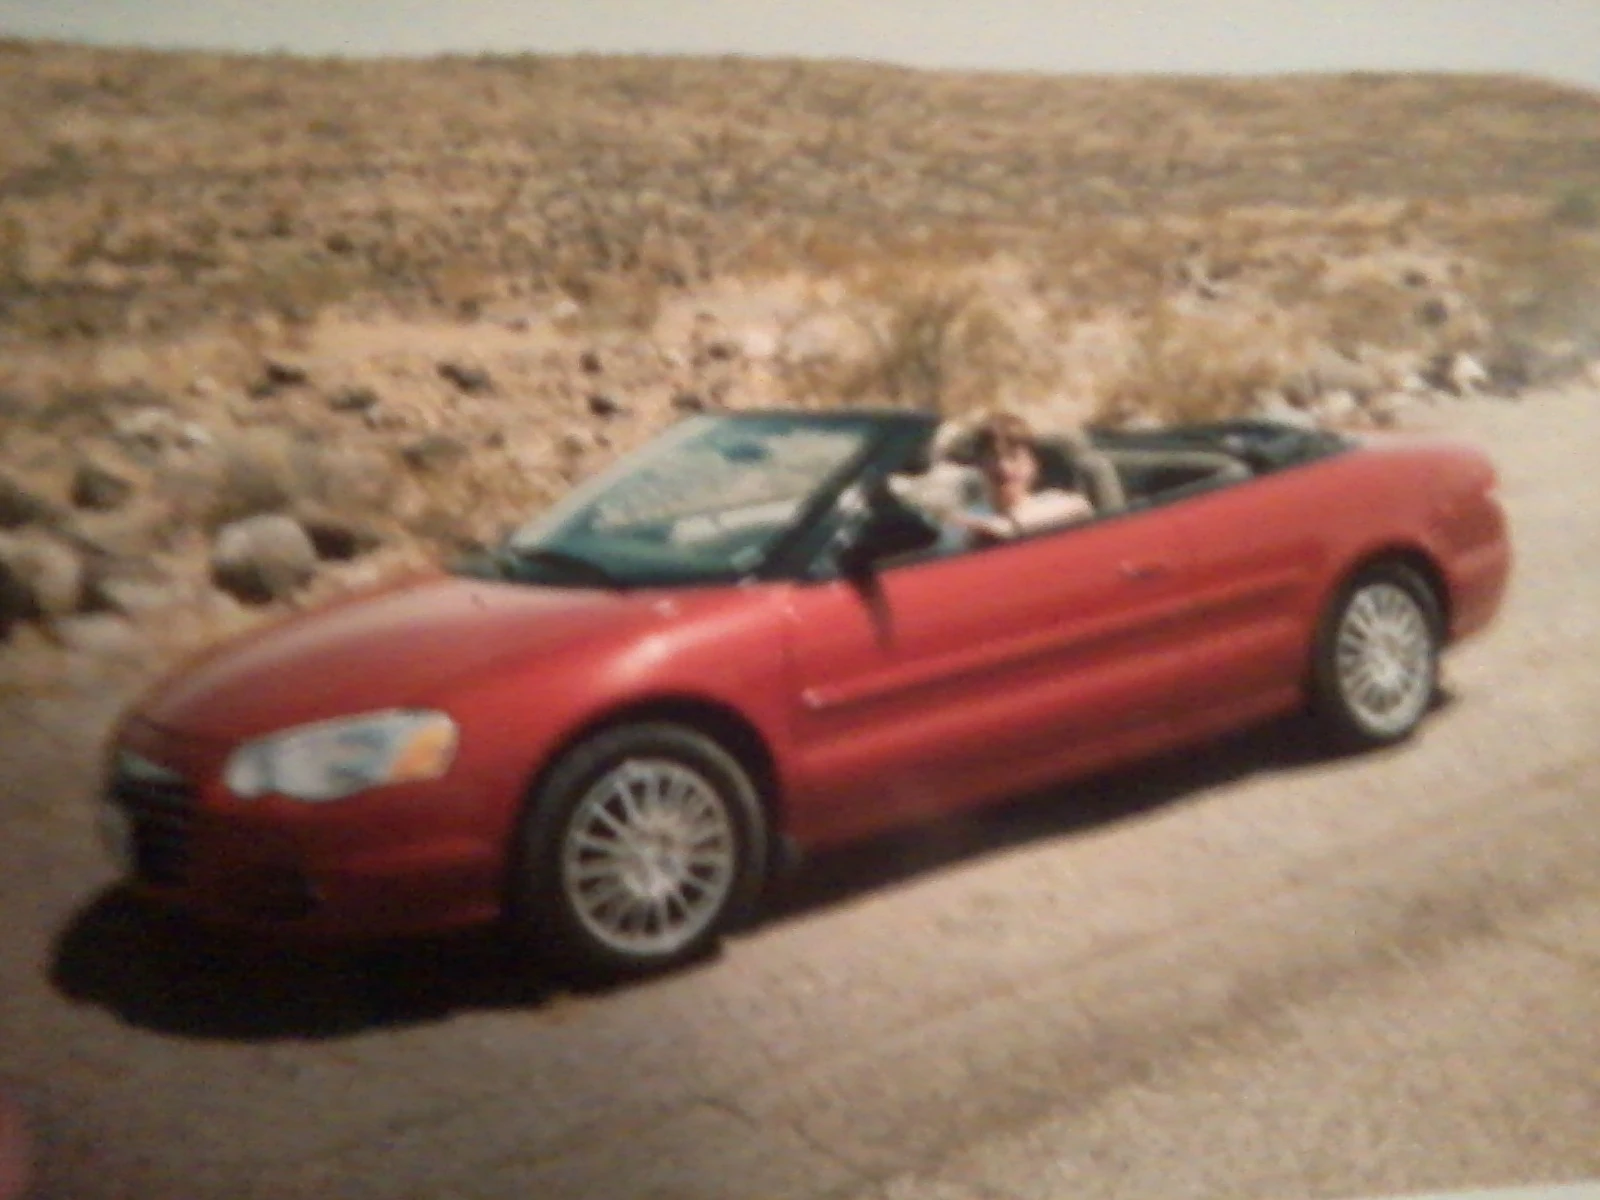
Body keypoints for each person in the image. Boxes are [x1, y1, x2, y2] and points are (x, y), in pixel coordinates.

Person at [937, 411, 1095, 551]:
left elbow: (1080, 508)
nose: (1003, 468)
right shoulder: (966, 523)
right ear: (980, 465)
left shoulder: (1053, 505)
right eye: (993, 458)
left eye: (1014, 457)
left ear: (1033, 464)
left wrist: (1012, 527)